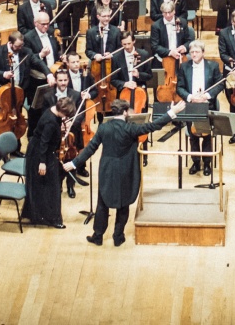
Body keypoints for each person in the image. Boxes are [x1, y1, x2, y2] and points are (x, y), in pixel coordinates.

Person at [65, 98, 185, 246]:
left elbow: (90, 148)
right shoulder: (131, 129)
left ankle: (98, 236)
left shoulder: (103, 128)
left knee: (102, 204)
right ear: (125, 112)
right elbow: (154, 126)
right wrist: (172, 112)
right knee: (123, 204)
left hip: (107, 170)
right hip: (125, 170)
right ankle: (118, 237)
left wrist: (74, 163)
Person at [24, 96, 74, 228]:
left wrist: (62, 126)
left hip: (41, 151)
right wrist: (42, 162)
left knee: (43, 185)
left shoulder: (52, 110)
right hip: (40, 154)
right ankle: (52, 218)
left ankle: (38, 214)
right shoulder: (50, 122)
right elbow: (44, 143)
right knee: (52, 186)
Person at [176, 41, 223, 176]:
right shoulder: (184, 67)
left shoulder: (213, 66)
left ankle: (207, 163)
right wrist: (190, 97)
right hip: (191, 104)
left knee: (206, 135)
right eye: (192, 52)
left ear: (203, 52)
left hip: (207, 104)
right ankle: (196, 162)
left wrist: (206, 96)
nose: (194, 55)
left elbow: (219, 85)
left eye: (197, 52)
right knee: (193, 135)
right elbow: (179, 87)